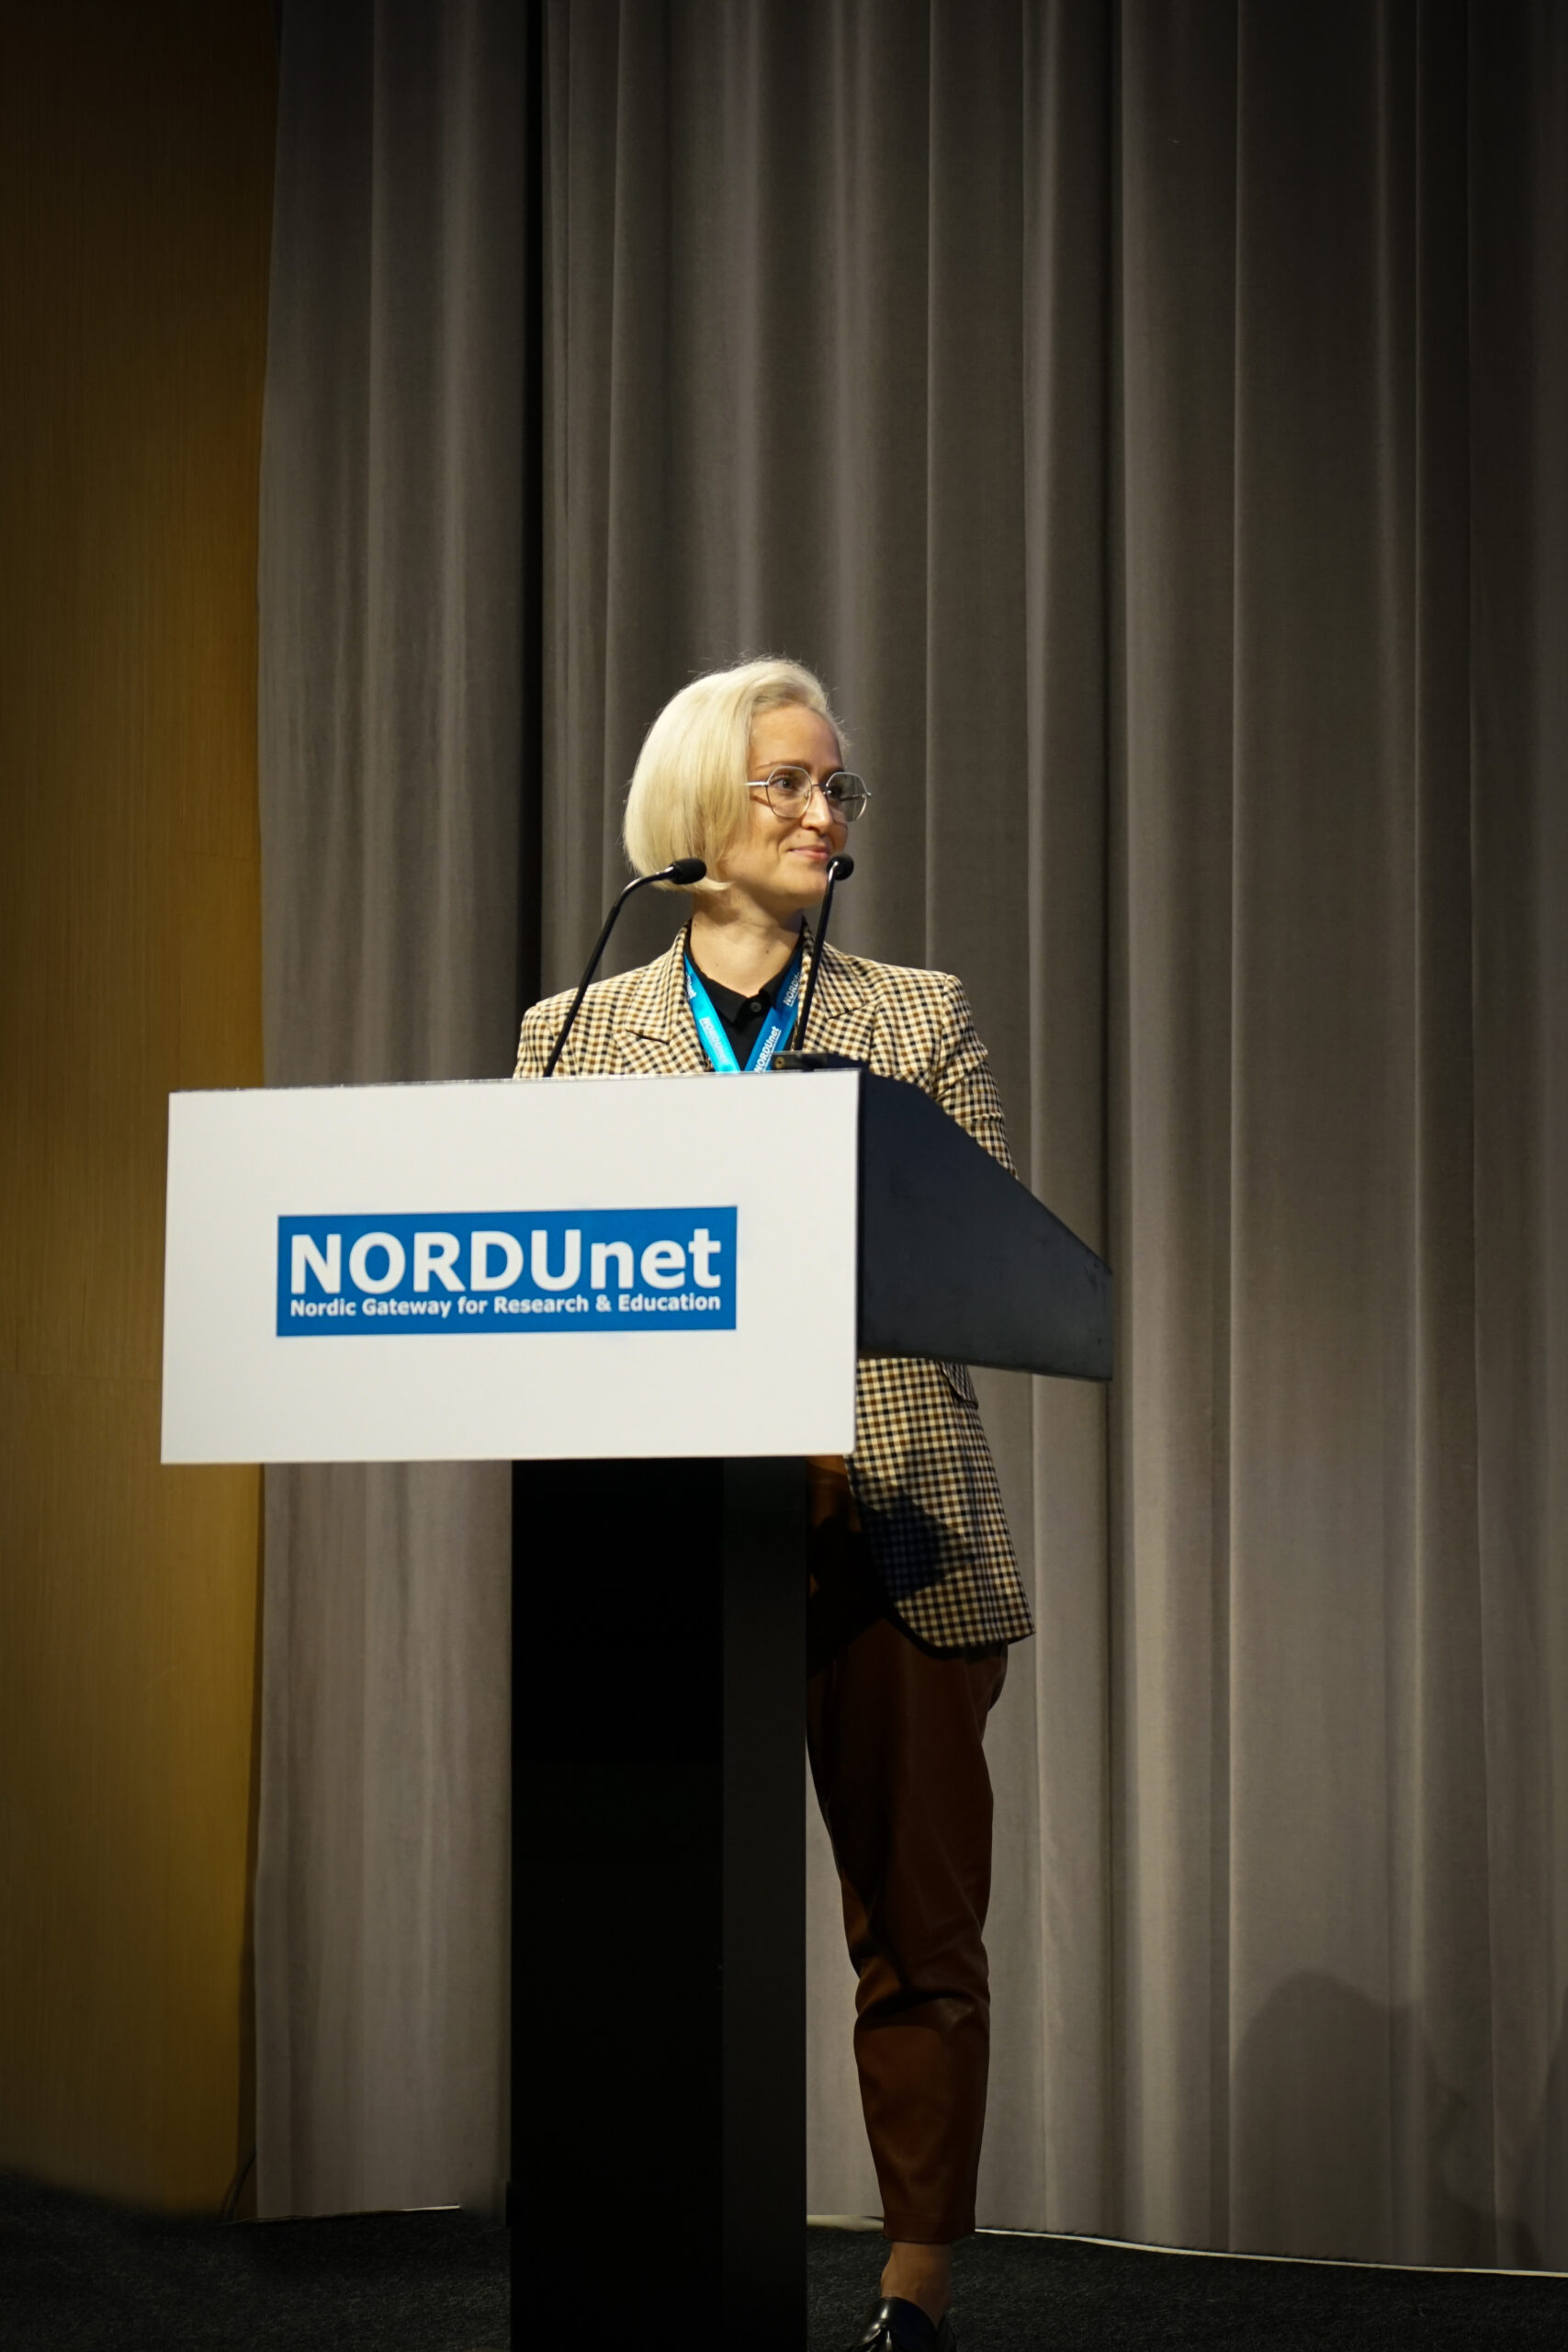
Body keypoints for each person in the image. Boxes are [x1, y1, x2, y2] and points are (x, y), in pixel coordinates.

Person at [513, 657, 1032, 2352]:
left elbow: (984, 1249)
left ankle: (914, 2291)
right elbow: (536, 1279)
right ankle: (654, 2260)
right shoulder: (572, 1037)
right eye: (789, 785)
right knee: (654, 1928)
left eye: (836, 789)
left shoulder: (916, 1014)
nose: (826, 816)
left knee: (918, 1932)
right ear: (695, 813)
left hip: (889, 1527)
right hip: (665, 1543)